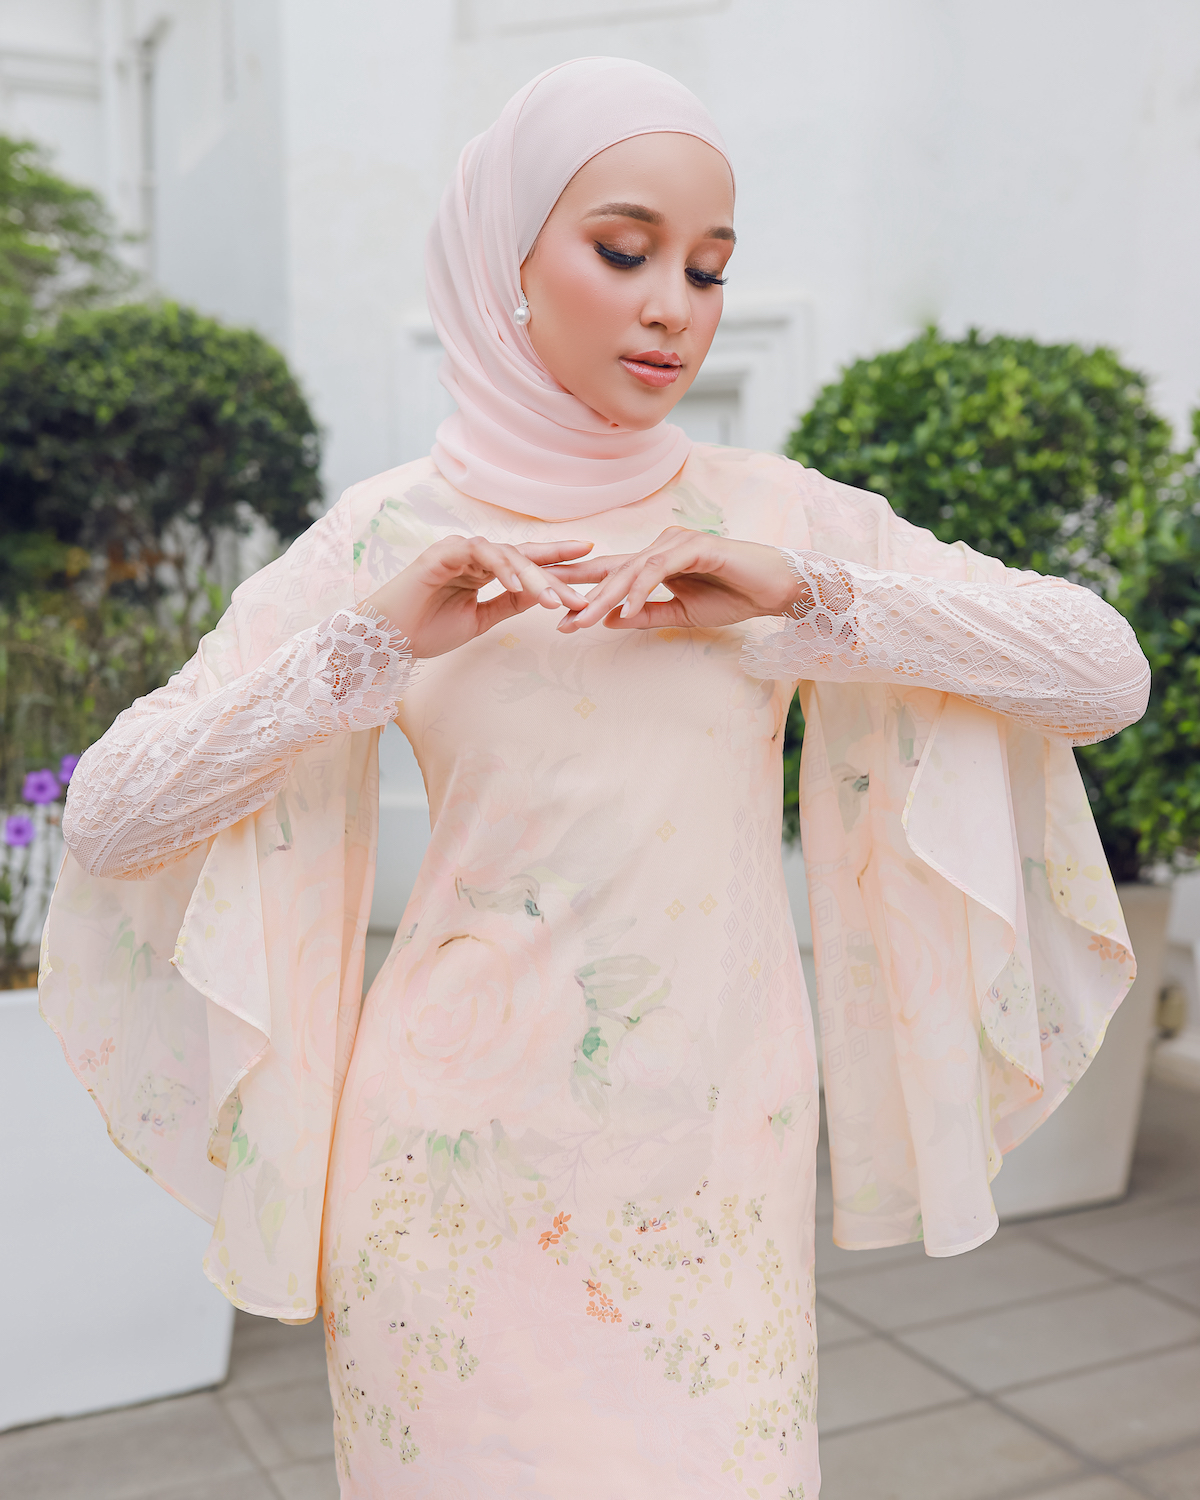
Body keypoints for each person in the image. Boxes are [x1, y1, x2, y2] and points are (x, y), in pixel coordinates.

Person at [42, 57, 1149, 1500]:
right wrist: (368, 647)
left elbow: (1101, 675)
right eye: (626, 251)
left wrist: (811, 600)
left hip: (711, 1177)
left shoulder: (767, 518)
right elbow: (115, 815)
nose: (674, 304)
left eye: (708, 267)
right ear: (507, 260)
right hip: (446, 1186)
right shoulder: (389, 538)